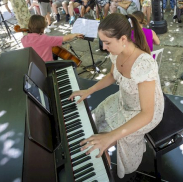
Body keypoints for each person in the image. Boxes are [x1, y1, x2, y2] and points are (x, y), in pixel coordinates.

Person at [68, 13, 164, 179]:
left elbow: (147, 114)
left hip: (145, 112)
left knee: (104, 141)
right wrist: (87, 91)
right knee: (97, 121)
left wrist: (110, 137)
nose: (104, 47)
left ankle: (104, 173)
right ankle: (102, 166)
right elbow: (112, 76)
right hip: (125, 100)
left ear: (123, 39)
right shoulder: (117, 52)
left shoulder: (144, 64)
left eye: (107, 42)